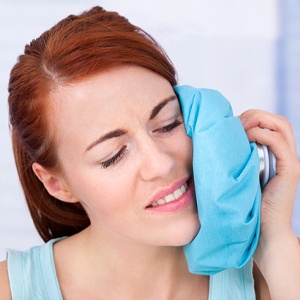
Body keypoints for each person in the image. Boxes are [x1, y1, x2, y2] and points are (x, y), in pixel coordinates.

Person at [0, 6, 299, 299]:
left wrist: (274, 242)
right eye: (113, 155)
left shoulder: (276, 275)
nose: (161, 164)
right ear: (57, 184)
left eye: (168, 124)